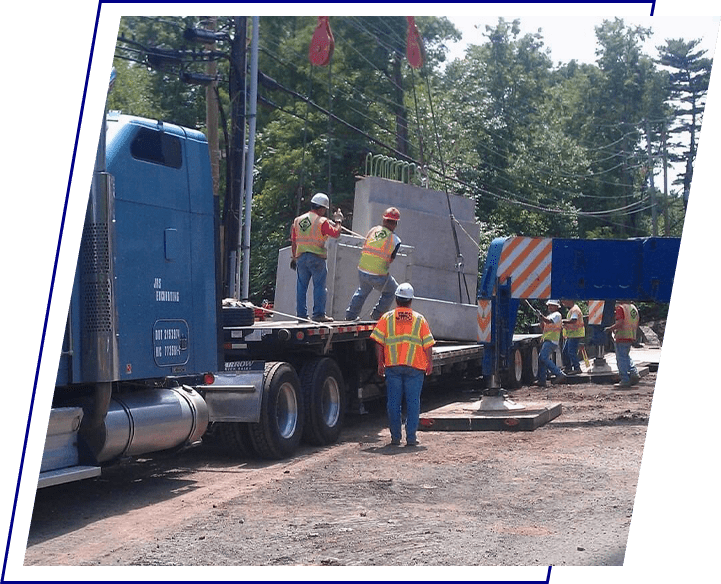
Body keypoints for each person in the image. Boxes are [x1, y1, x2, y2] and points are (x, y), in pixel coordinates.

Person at [371, 283, 435, 446]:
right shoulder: (419, 319)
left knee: (393, 403)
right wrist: (429, 363)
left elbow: (378, 342)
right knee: (413, 403)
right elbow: (428, 344)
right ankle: (411, 438)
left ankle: (395, 437)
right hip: (415, 367)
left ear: (396, 299)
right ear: (411, 301)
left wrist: (380, 363)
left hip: (393, 366)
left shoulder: (387, 318)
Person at [291, 192, 343, 322]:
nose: (325, 212)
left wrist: (294, 257)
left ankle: (301, 316)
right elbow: (336, 233)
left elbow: (294, 240)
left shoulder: (298, 220)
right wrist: (338, 221)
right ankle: (319, 314)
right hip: (316, 258)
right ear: (321, 208)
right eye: (325, 209)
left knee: (301, 287)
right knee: (319, 286)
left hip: (301, 257)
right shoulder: (322, 221)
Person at [345, 207, 402, 321]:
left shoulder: (372, 231)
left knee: (362, 291)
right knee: (393, 290)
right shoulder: (395, 240)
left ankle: (350, 316)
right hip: (378, 274)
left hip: (362, 270)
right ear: (395, 224)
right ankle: (377, 315)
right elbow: (390, 260)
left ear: (384, 220)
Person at [605, 301, 640, 388]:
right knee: (625, 356)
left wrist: (610, 329)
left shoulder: (621, 308)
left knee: (621, 358)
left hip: (622, 336)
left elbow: (620, 323)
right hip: (631, 335)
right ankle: (634, 372)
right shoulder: (633, 308)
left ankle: (625, 379)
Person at [535, 300, 567, 388]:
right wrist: (540, 319)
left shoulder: (557, 315)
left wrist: (541, 316)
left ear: (557, 307)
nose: (550, 307)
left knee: (543, 358)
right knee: (541, 359)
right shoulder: (550, 315)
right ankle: (542, 380)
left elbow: (549, 321)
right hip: (548, 340)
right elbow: (543, 326)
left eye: (552, 306)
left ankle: (559, 373)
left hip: (552, 340)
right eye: (549, 306)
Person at [561, 299, 585, 375]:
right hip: (571, 335)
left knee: (571, 352)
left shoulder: (575, 310)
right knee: (565, 352)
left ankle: (577, 368)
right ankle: (568, 368)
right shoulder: (573, 309)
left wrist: (563, 321)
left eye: (564, 300)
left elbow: (573, 320)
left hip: (575, 335)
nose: (563, 302)